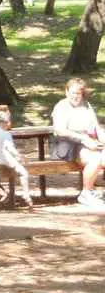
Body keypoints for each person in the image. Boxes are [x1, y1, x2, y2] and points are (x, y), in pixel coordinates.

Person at [50, 78, 104, 207]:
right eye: (73, 93)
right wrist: (84, 139)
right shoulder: (61, 106)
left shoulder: (86, 105)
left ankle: (95, 191)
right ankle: (86, 193)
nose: (75, 96)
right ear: (67, 92)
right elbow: (60, 130)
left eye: (78, 93)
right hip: (67, 145)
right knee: (95, 158)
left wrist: (102, 137)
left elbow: (96, 127)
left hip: (87, 142)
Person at [0, 111, 33, 207]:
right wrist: (20, 157)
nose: (8, 124)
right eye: (7, 122)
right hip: (5, 158)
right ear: (3, 123)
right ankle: (26, 194)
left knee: (16, 168)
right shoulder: (6, 134)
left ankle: (7, 194)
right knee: (24, 173)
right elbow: (11, 149)